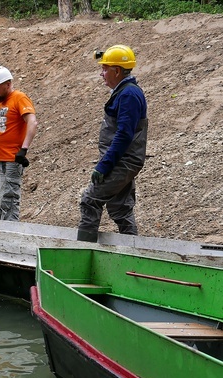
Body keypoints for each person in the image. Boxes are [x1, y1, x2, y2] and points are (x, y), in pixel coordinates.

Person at [77, 45, 148, 242]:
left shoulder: (128, 95)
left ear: (117, 71)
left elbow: (124, 134)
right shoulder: (125, 92)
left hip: (122, 161)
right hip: (124, 160)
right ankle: (133, 252)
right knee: (120, 208)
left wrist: (104, 165)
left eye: (105, 69)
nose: (102, 74)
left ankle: (82, 254)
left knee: (90, 200)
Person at [0, 66, 37, 221]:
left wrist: (24, 149)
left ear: (8, 84)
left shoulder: (19, 98)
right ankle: (0, 233)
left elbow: (32, 122)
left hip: (10, 160)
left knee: (8, 201)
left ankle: (9, 236)